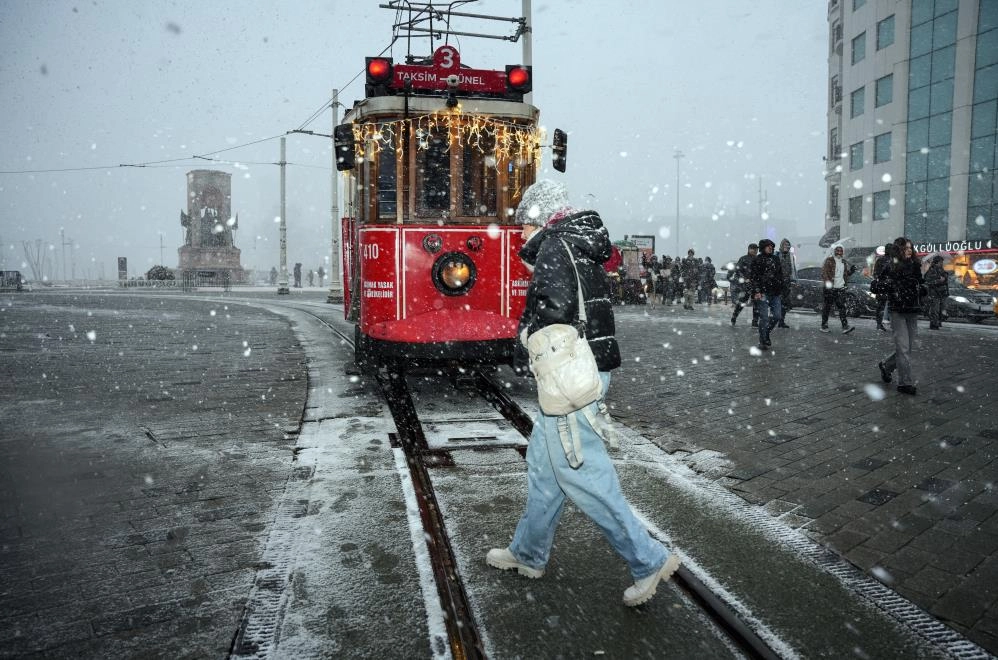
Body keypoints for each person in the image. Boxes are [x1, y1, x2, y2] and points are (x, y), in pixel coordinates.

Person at [487, 179, 680, 607]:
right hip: (587, 366)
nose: (520, 234)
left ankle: (647, 560)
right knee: (545, 465)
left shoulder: (556, 246)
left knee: (582, 473)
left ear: (539, 220)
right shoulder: (579, 242)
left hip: (571, 377)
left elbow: (555, 311)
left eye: (523, 225)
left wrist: (523, 338)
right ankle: (528, 553)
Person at [877, 237, 924, 395]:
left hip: (912, 310)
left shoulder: (916, 265)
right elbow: (877, 285)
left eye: (911, 247)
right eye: (906, 248)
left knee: (907, 348)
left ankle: (887, 365)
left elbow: (921, 283)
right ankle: (905, 383)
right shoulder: (891, 266)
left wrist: (923, 289)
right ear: (899, 250)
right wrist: (891, 286)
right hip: (897, 311)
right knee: (903, 348)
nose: (910, 250)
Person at [750, 238, 783, 350]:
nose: (771, 248)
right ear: (763, 247)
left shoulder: (776, 259)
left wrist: (781, 287)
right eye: (768, 246)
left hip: (775, 292)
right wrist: (757, 291)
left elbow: (780, 275)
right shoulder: (757, 260)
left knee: (777, 316)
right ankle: (762, 341)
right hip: (762, 292)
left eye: (772, 246)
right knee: (764, 317)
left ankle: (766, 333)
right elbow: (754, 278)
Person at [820, 245, 856, 334]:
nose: (839, 252)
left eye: (841, 251)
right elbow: (825, 273)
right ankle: (824, 326)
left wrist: (851, 271)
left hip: (840, 288)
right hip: (830, 288)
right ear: (834, 251)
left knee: (842, 307)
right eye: (837, 250)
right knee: (827, 308)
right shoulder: (829, 260)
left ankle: (845, 326)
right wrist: (829, 286)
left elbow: (845, 274)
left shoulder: (843, 262)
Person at [729, 243, 759, 327]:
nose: (755, 251)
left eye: (756, 249)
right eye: (754, 249)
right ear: (749, 249)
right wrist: (745, 279)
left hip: (755, 284)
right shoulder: (743, 259)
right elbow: (738, 270)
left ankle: (755, 321)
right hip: (745, 285)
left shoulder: (758, 259)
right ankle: (734, 316)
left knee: (756, 303)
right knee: (742, 302)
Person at [924, 256, 949, 330]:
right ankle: (934, 324)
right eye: (941, 262)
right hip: (935, 293)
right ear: (937, 262)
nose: (942, 263)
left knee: (942, 310)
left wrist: (945, 277)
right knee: (935, 310)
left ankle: (937, 322)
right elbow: (928, 281)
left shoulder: (941, 269)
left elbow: (945, 279)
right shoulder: (931, 270)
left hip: (942, 293)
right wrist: (939, 281)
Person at [776, 239, 796, 327]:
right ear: (781, 246)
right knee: (776, 302)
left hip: (787, 282)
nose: (786, 247)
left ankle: (781, 321)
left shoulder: (791, 256)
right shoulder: (776, 255)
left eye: (788, 245)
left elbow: (793, 268)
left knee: (784, 303)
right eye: (784, 245)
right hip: (777, 282)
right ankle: (772, 320)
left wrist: (794, 280)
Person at [872, 245, 892, 331]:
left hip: (886, 286)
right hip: (884, 286)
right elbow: (876, 274)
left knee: (883, 305)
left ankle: (880, 324)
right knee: (882, 305)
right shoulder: (883, 260)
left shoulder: (892, 260)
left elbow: (875, 274)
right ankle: (879, 324)